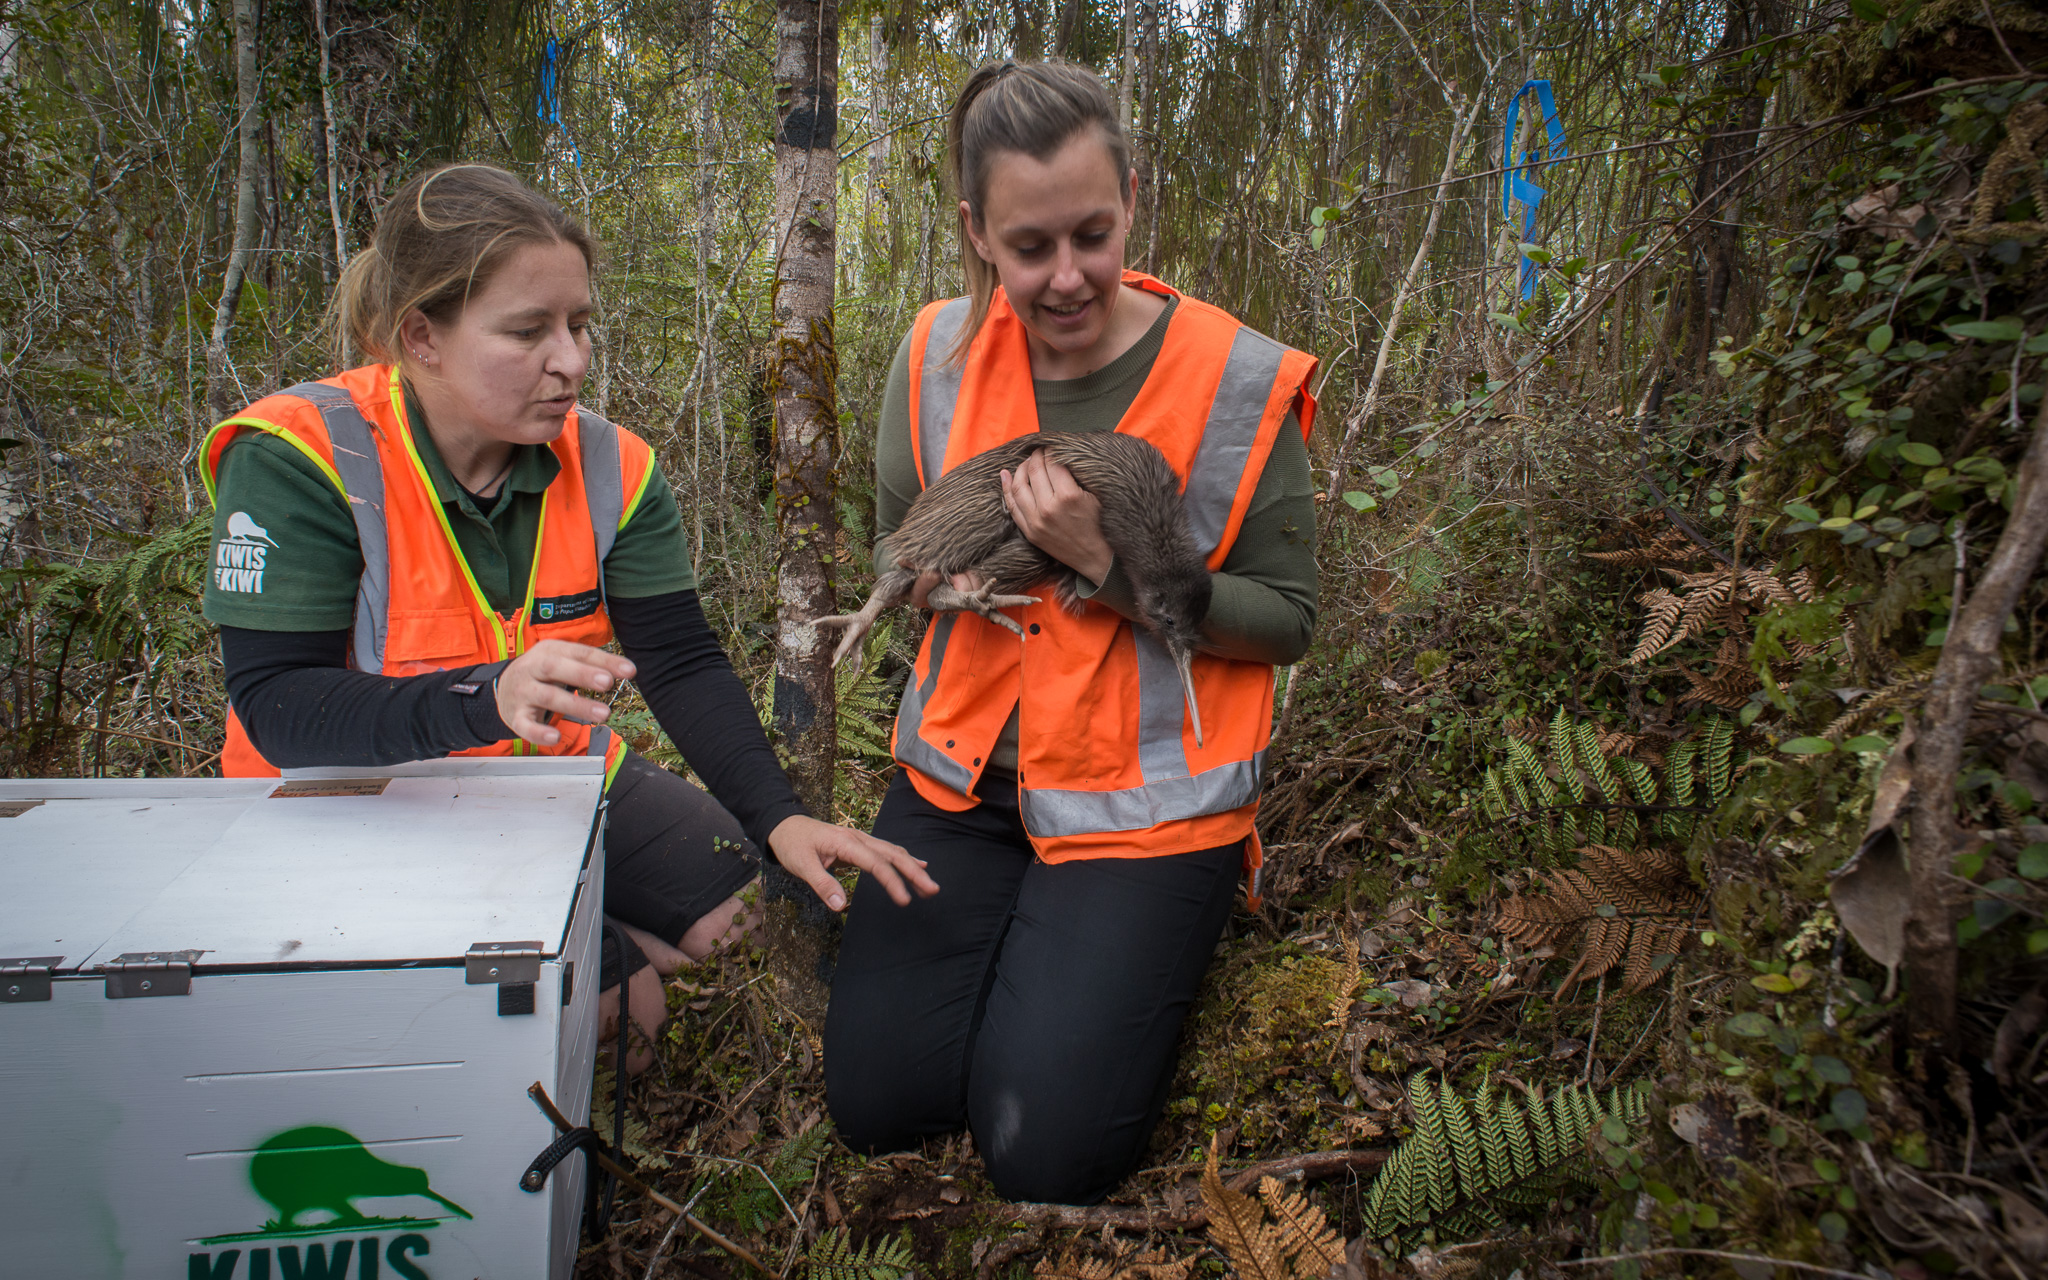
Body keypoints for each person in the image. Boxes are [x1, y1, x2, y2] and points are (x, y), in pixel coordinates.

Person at [200, 163, 937, 1073]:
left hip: (541, 790)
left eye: (579, 325)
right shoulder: (304, 456)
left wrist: (779, 819)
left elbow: (680, 660)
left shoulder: (609, 463)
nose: (572, 362)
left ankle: (602, 913)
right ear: (421, 337)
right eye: (528, 332)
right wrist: (486, 696)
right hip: (353, 807)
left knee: (751, 916)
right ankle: (597, 944)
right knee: (615, 1018)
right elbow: (278, 706)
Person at [821, 61, 1319, 1204]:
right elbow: (895, 545)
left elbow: (1287, 621)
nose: (1063, 277)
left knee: (1041, 1151)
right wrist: (939, 583)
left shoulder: (1232, 379)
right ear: (974, 231)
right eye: (1027, 245)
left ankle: (1110, 951)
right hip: (962, 784)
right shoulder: (937, 351)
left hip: (1144, 812)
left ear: (1132, 199)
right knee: (877, 1105)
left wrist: (1105, 564)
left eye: (1090, 234)